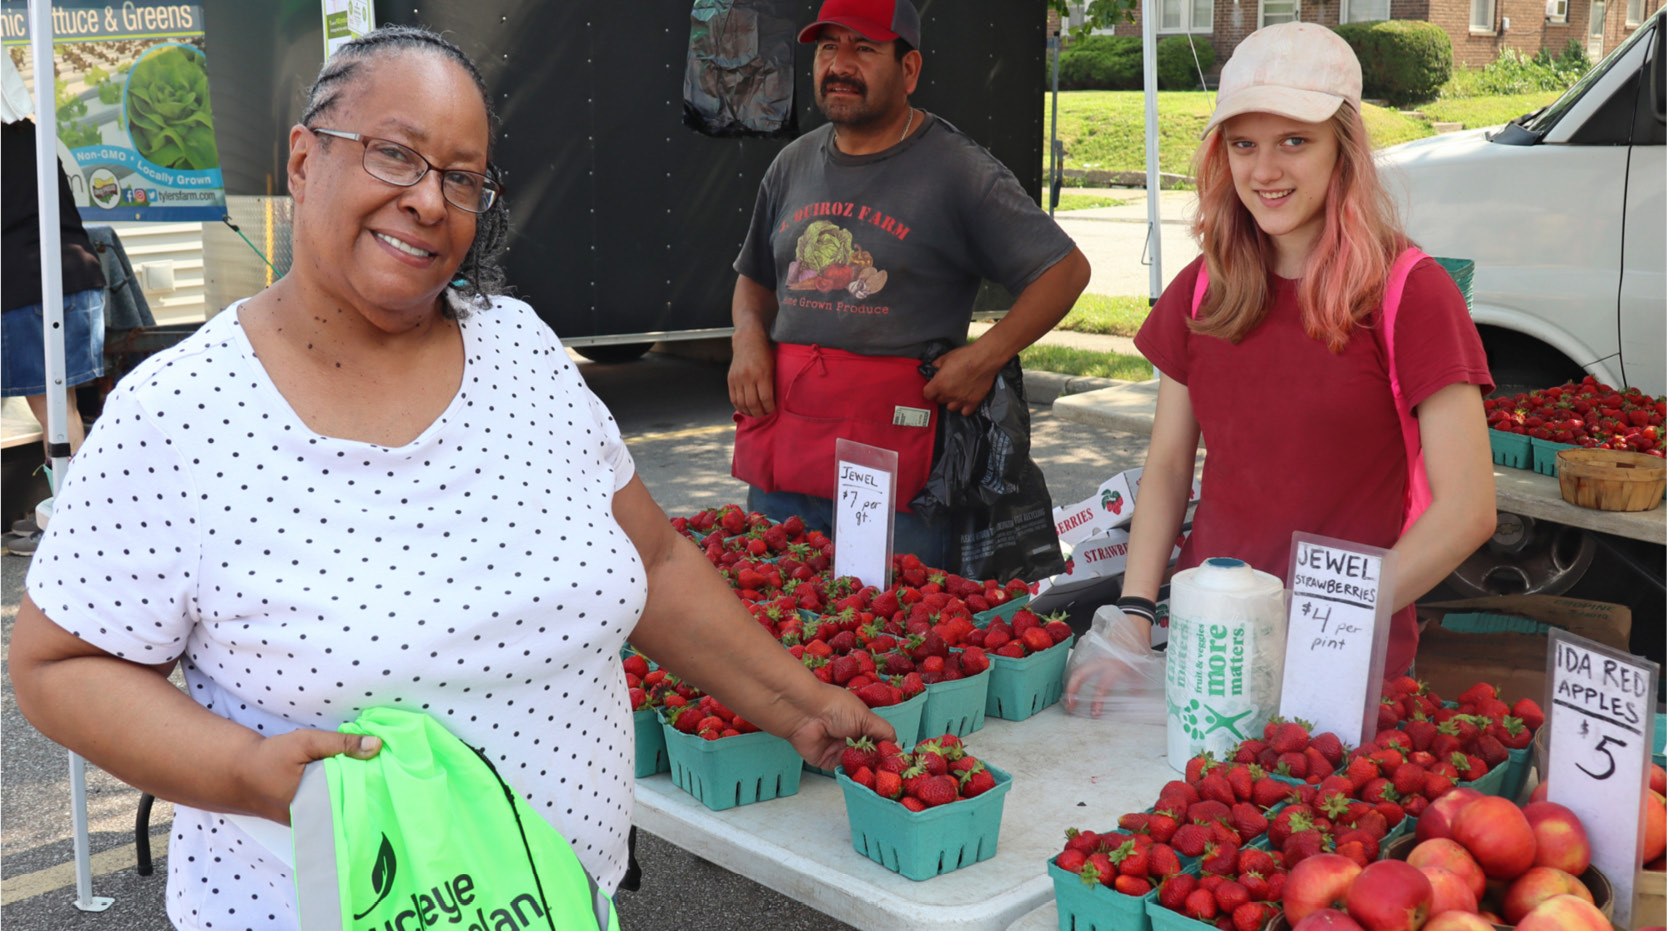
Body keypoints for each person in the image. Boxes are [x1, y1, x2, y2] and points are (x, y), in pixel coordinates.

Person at [8, 26, 891, 930]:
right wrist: (242, 772)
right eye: (395, 154)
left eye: (462, 177)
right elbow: (58, 663)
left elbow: (656, 562)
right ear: (305, 158)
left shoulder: (525, 353)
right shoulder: (181, 411)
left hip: (557, 904)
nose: (430, 200)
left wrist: (800, 702)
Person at [1067, 23, 1496, 709]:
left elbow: (1468, 510)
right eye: (1244, 144)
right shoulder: (1201, 287)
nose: (1263, 172)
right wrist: (1134, 611)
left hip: (1343, 664)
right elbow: (1171, 466)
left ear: (1342, 150)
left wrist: (1324, 615)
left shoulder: (1409, 294)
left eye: (1293, 141)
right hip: (1207, 648)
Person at [728, 0, 1091, 568]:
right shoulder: (792, 163)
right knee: (772, 614)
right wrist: (747, 339)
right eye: (828, 48)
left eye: (864, 49)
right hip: (785, 453)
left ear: (910, 70)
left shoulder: (957, 170)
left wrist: (985, 356)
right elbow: (754, 278)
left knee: (887, 630)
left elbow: (1065, 270)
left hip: (896, 467)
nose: (839, 65)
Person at [2, 52, 108, 554]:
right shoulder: (38, 140)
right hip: (76, 276)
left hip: (25, 286)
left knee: (53, 412)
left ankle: (74, 529)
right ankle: (78, 517)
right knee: (63, 410)